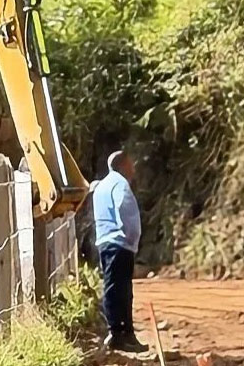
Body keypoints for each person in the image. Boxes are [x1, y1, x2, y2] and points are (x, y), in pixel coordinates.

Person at [93, 150, 148, 352]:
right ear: (123, 165)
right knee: (121, 290)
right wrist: (132, 237)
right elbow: (125, 211)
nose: (133, 168)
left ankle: (123, 333)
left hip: (106, 242)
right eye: (131, 163)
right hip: (119, 243)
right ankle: (119, 333)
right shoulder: (119, 184)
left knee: (115, 287)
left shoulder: (101, 186)